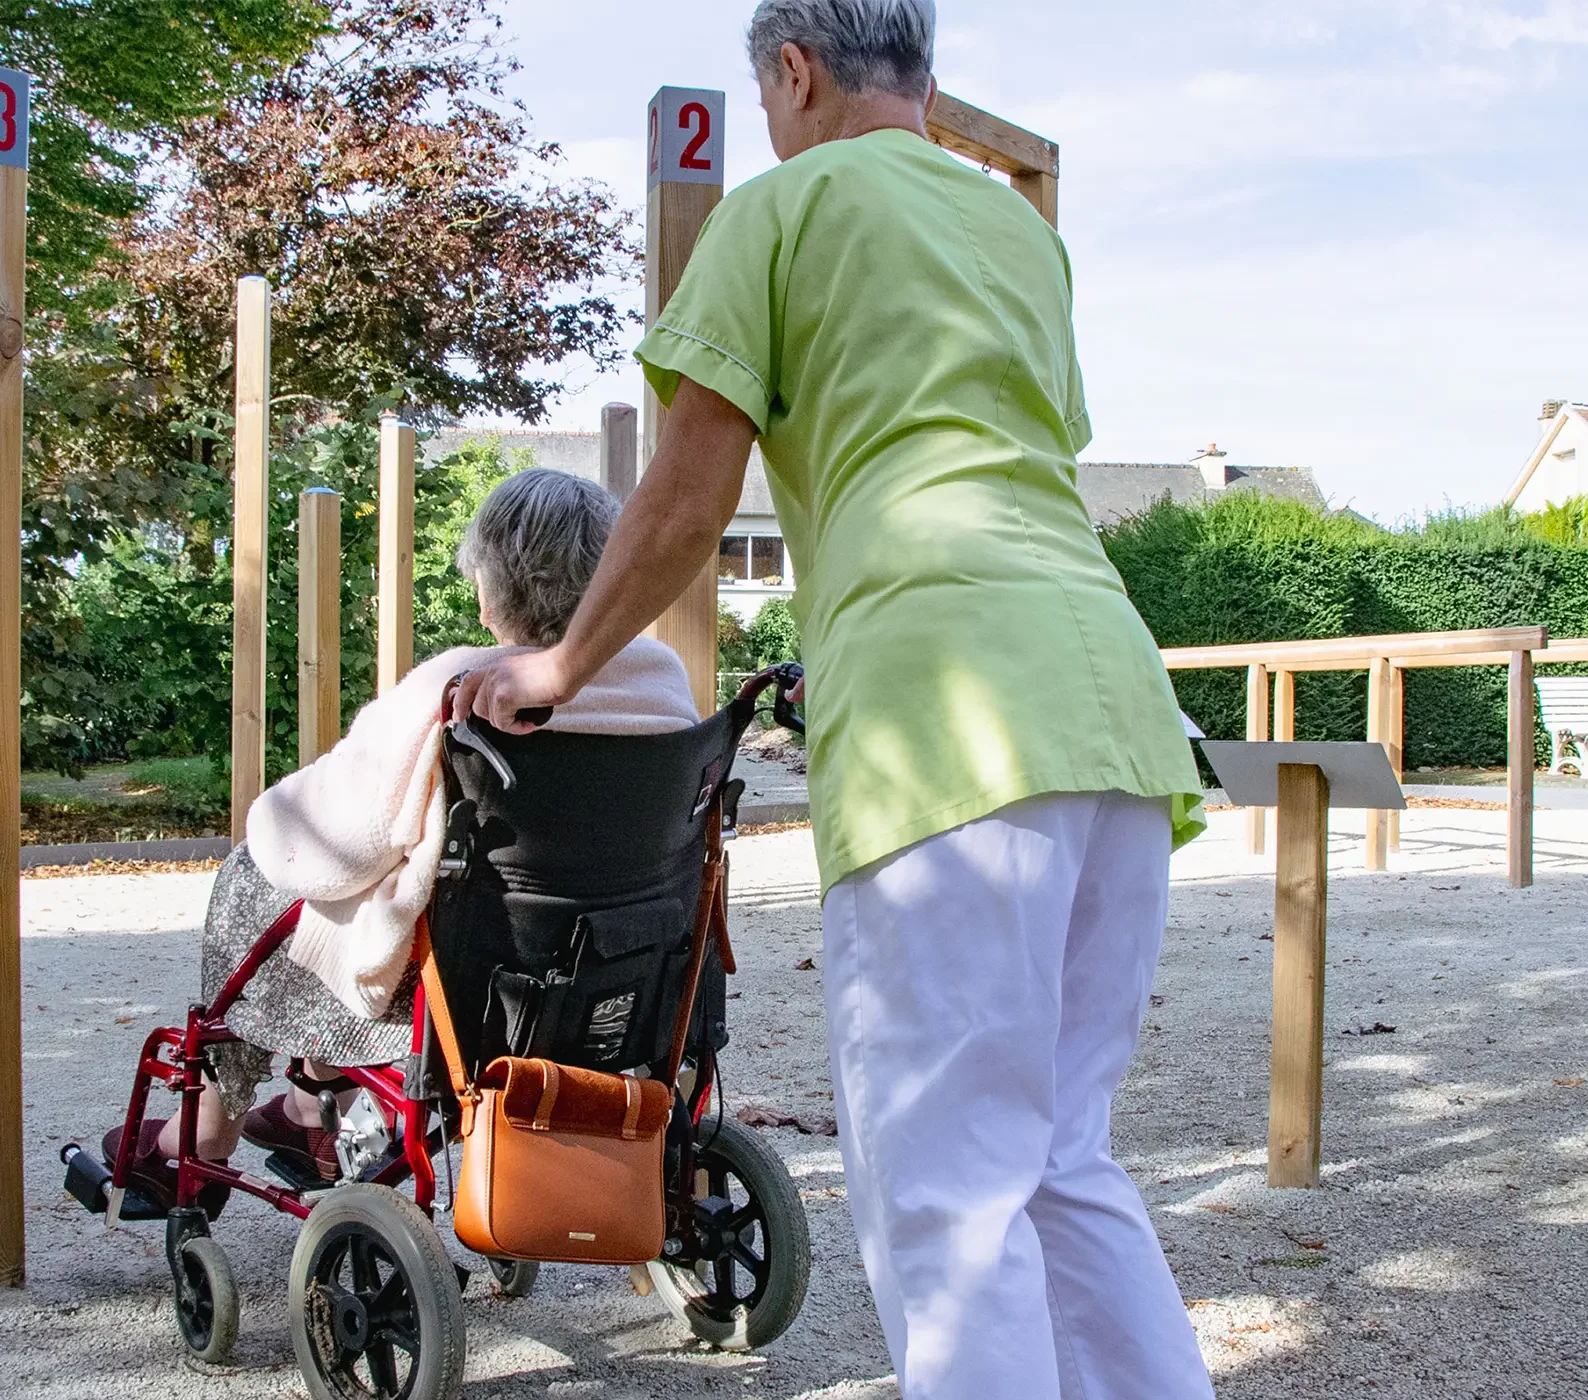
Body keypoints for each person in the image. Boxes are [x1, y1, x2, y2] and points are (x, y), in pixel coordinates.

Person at [453, 2, 1215, 1396]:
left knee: (951, 1196)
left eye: (769, 97)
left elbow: (690, 497)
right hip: (1111, 702)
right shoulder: (1021, 240)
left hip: (949, 708)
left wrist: (555, 666)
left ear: (793, 73)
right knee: (1062, 1161)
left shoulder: (781, 210)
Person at [102, 468, 699, 1206]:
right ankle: (303, 1111)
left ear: (489, 593)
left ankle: (206, 1134)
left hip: (460, 987)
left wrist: (272, 815)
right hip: (614, 969)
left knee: (258, 880)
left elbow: (327, 846)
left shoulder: (460, 687)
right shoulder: (663, 681)